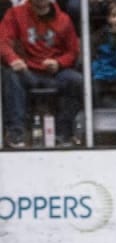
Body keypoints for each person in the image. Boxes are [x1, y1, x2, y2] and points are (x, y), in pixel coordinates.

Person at [0, 0, 83, 147]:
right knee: (11, 75)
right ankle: (16, 133)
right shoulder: (15, 14)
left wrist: (59, 63)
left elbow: (73, 51)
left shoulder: (64, 19)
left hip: (55, 74)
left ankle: (62, 134)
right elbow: (3, 42)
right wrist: (13, 59)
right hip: (27, 71)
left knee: (77, 81)